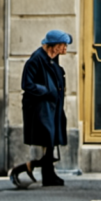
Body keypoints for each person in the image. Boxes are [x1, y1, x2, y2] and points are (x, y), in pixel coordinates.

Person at [8, 30, 72, 188]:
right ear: (53, 46)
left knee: (52, 142)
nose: (65, 48)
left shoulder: (53, 58)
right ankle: (25, 168)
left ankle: (49, 175)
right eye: (63, 44)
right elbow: (27, 84)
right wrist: (47, 91)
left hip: (53, 106)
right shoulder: (36, 59)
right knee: (47, 138)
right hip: (40, 108)